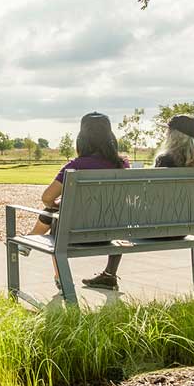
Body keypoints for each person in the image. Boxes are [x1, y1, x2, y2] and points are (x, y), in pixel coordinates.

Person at [82, 114, 194, 289]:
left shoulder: (165, 159)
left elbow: (151, 196)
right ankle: (108, 275)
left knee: (120, 209)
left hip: (160, 228)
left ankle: (109, 274)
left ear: (173, 134)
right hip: (193, 226)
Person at [25, 112, 129, 291]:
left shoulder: (75, 166)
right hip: (112, 232)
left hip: (75, 234)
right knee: (113, 214)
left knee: (54, 215)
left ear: (82, 139)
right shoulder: (122, 165)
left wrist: (58, 206)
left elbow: (47, 197)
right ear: (110, 137)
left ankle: (59, 276)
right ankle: (110, 275)